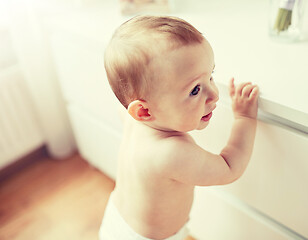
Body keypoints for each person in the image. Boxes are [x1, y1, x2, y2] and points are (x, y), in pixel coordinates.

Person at [99, 15, 259, 240]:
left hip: (117, 219)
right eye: (195, 90)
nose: (214, 94)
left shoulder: (135, 121)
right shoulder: (171, 153)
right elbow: (229, 167)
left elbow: (122, 113)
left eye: (210, 76)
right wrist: (244, 118)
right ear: (145, 112)